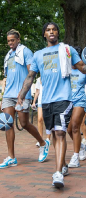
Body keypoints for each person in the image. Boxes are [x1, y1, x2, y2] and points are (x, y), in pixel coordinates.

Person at [16, 22, 86, 188]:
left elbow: (82, 68)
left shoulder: (67, 50)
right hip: (46, 100)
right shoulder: (38, 55)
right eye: (48, 30)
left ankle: (57, 174)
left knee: (61, 132)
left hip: (63, 98)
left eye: (54, 29)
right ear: (44, 34)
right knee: (55, 135)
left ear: (57, 32)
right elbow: (30, 76)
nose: (51, 32)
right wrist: (21, 94)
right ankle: (62, 164)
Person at [0, 29, 50, 169]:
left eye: (13, 40)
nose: (10, 43)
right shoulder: (8, 56)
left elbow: (31, 73)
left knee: (24, 123)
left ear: (18, 40)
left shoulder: (25, 52)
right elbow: (8, 77)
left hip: (22, 94)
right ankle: (11, 157)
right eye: (8, 41)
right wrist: (3, 96)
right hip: (9, 94)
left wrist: (23, 92)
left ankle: (42, 143)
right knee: (7, 124)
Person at [32, 77, 51, 147]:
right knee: (40, 119)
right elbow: (37, 91)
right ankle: (40, 139)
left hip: (49, 101)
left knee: (48, 120)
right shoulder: (38, 79)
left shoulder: (50, 77)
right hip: (40, 101)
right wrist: (34, 102)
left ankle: (48, 138)